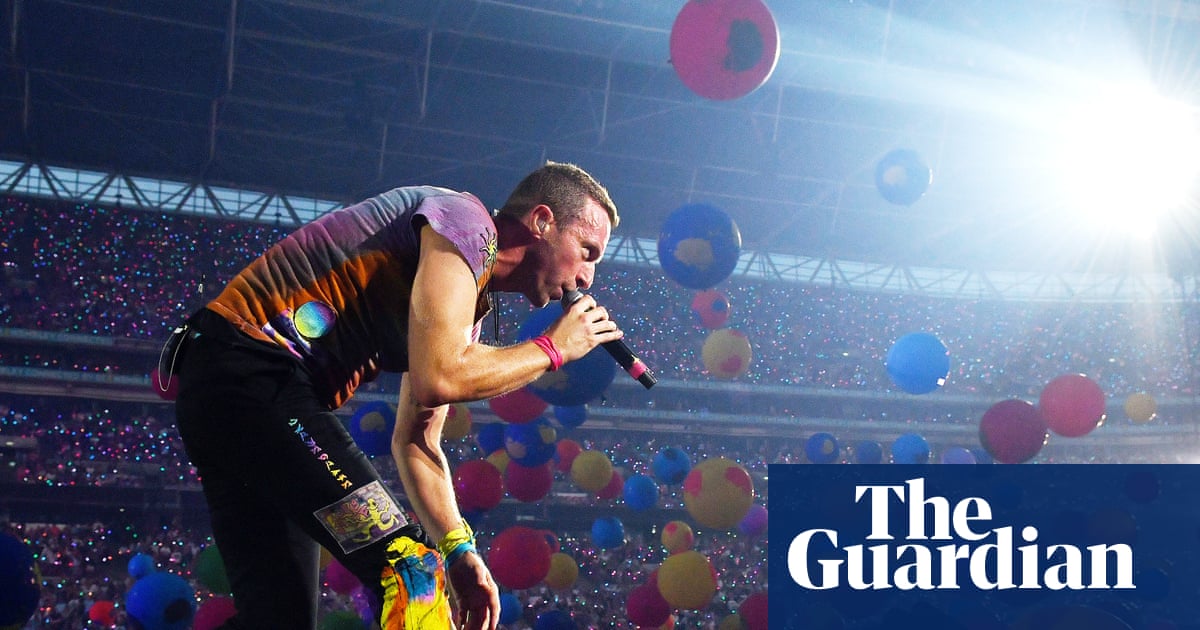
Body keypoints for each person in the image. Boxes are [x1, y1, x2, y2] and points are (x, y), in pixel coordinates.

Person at [166, 161, 622, 630]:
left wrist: (458, 547)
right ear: (542, 221)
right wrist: (553, 348)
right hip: (251, 373)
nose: (588, 276)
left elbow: (416, 441)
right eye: (587, 251)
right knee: (410, 572)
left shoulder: (466, 301)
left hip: (231, 393)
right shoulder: (467, 223)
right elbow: (438, 378)